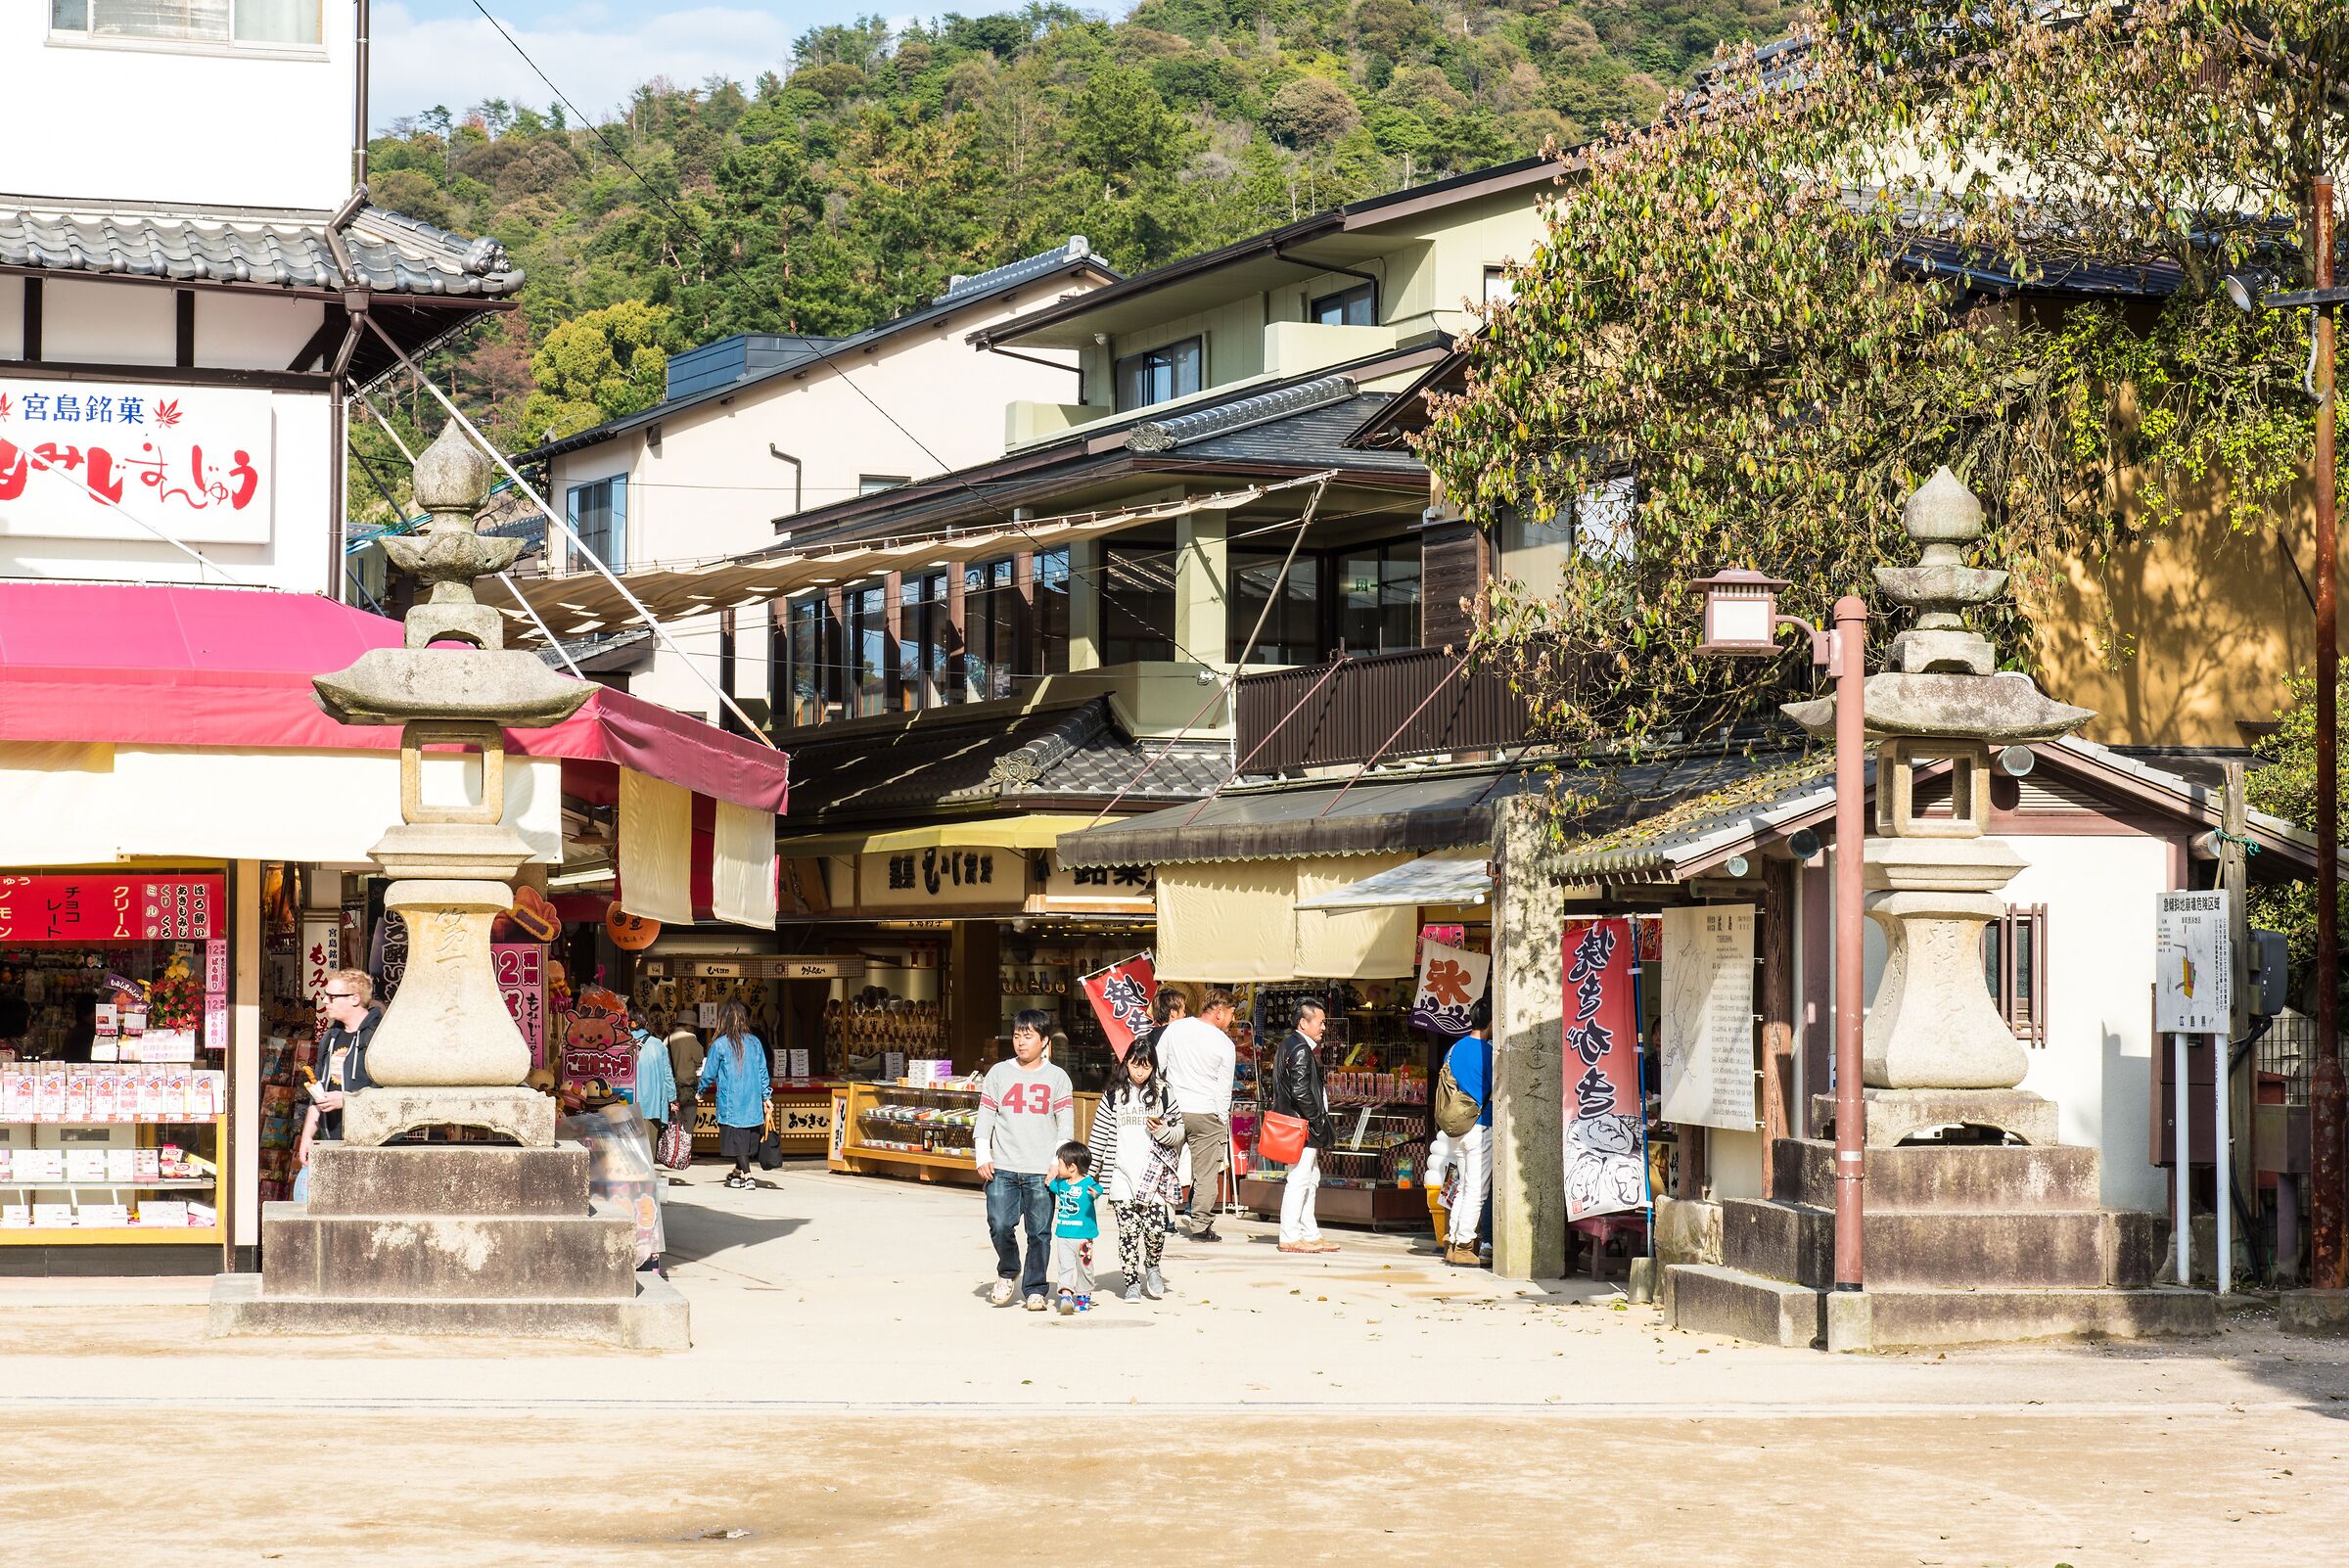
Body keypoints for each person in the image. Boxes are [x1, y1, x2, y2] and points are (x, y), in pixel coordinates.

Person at [975, 1008, 1074, 1311]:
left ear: (1044, 1041)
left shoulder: (1057, 1078)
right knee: (999, 1224)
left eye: (1028, 1036)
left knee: (1039, 1233)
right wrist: (982, 1153)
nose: (1021, 1042)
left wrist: (1058, 1161)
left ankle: (1035, 1288)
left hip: (1041, 1169)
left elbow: (1065, 1124)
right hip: (1003, 1166)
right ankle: (1008, 1270)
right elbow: (986, 1115)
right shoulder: (998, 1073)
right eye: (1017, 1035)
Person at [1085, 1036, 1183, 1302]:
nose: (1140, 1072)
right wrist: (1088, 1177)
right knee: (1128, 1233)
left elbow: (1179, 1133)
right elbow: (1098, 1138)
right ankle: (1131, 1282)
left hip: (1154, 1175)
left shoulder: (1164, 1093)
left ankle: (1152, 1265)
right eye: (1135, 1065)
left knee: (1155, 1230)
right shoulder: (1113, 1095)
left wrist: (1161, 1131)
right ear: (1126, 1063)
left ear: (1154, 1067)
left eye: (1146, 1067)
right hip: (1120, 1175)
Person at [1156, 988, 1237, 1241]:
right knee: (1205, 1173)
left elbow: (1158, 1067)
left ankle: (1158, 1218)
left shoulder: (1176, 1029)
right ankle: (1200, 1225)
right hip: (1206, 1112)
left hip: (1173, 1109)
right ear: (1219, 1011)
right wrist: (1221, 1119)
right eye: (1231, 1013)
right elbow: (1224, 1088)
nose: (1233, 1019)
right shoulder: (1225, 1044)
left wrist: (1160, 1103)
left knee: (1163, 1165)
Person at [294, 970, 383, 1198]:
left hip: (369, 1144)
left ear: (355, 999)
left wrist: (347, 1100)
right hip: (332, 1138)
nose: (325, 1001)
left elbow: (389, 1091)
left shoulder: (379, 1036)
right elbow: (318, 1088)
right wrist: (307, 1137)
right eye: (325, 995)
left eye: (332, 996)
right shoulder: (331, 1036)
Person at [1267, 997, 1339, 1254]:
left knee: (1310, 1178)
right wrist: (1318, 1118)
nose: (1323, 1027)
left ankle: (1310, 1233)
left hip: (1300, 1124)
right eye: (1320, 1022)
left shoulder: (1290, 1044)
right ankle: (1290, 1235)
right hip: (1302, 1126)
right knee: (1299, 1179)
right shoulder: (1299, 1048)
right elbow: (1300, 1091)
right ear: (1303, 1023)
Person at [1435, 998, 1495, 1268]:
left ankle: (1452, 1241)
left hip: (1456, 1127)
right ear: (1491, 1023)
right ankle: (1464, 1246)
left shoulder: (1454, 1048)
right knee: (1476, 1191)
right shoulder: (1489, 1053)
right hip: (1480, 1125)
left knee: (1463, 1187)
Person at [695, 1001, 770, 1189]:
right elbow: (763, 1071)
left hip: (731, 1102)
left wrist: (700, 1091)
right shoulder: (755, 1042)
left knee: (737, 1140)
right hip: (752, 1102)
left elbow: (709, 1072)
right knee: (746, 1140)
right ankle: (737, 1174)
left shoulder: (720, 1045)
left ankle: (748, 1176)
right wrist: (766, 1096)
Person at [1046, 1140, 1102, 1315]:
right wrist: (1049, 1180)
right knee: (1065, 1266)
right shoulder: (1061, 1184)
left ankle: (1083, 1296)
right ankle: (1066, 1296)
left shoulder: (1088, 1183)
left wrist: (1095, 1194)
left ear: (1072, 1167)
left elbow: (1098, 1189)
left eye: (1060, 1164)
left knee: (1085, 1267)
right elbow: (1052, 1185)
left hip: (1084, 1237)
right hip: (1064, 1234)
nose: (1058, 1168)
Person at [628, 1013, 680, 1158]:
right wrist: (672, 1098)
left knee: (628, 1149)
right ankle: (646, 1171)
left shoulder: (620, 1043)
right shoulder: (657, 1044)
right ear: (646, 1024)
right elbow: (667, 1073)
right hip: (652, 1105)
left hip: (625, 1103)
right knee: (648, 1150)